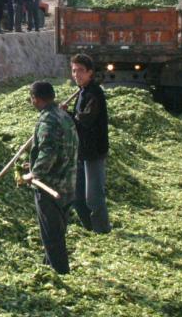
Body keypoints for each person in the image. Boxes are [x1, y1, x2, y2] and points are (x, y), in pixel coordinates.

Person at [22, 81, 78, 274]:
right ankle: (48, 268)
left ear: (35, 99)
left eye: (31, 99)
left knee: (52, 234)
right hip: (69, 182)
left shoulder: (47, 120)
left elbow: (48, 151)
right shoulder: (64, 115)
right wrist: (34, 163)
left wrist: (34, 173)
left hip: (51, 187)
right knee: (57, 230)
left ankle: (60, 273)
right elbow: (63, 148)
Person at [64, 54, 111, 234]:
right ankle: (89, 227)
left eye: (81, 71)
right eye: (74, 71)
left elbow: (85, 120)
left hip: (94, 152)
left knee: (94, 197)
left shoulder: (94, 93)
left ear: (90, 72)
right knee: (77, 197)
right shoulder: (82, 91)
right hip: (81, 151)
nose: (77, 75)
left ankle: (102, 230)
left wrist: (65, 115)